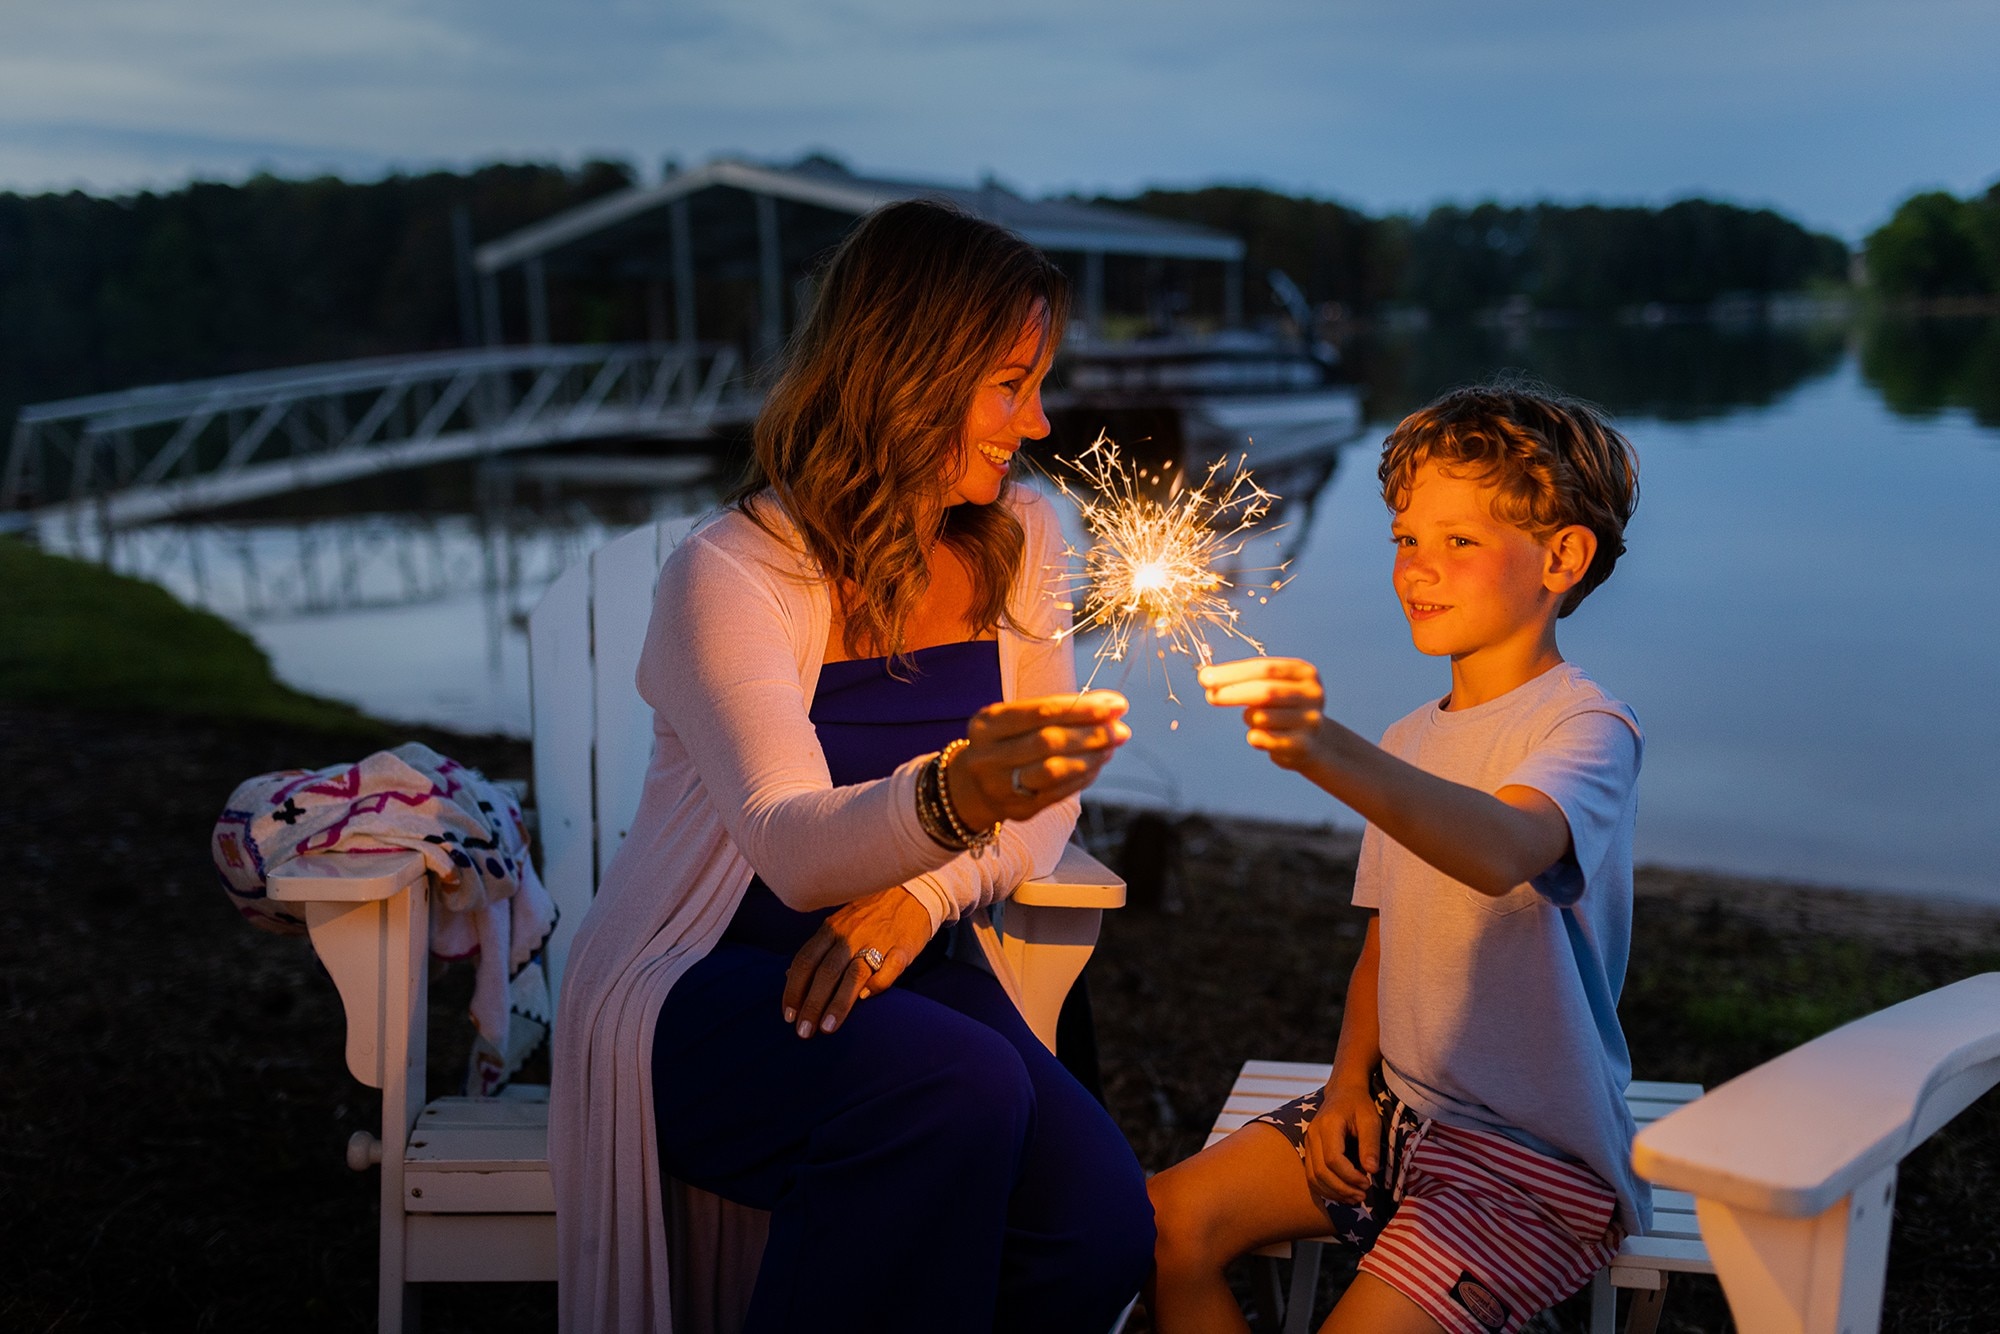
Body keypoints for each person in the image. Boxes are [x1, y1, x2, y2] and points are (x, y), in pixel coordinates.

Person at [549, 199, 1155, 1334]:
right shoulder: (729, 575)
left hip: (908, 953)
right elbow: (788, 845)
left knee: (1100, 1227)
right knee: (950, 1091)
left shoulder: (1024, 533)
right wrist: (957, 792)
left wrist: (926, 890)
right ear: (912, 371)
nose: (1035, 416)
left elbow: (1048, 802)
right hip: (703, 975)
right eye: (1011, 381)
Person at [1148, 383, 1647, 1334]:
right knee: (1164, 1224)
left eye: (1460, 541)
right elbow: (1385, 945)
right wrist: (1346, 1088)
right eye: (1406, 539)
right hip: (1397, 1111)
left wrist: (1324, 749)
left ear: (1563, 556)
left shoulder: (1587, 729)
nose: (1419, 567)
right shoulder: (1409, 741)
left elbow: (1504, 849)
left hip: (1527, 1161)